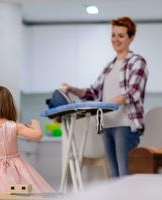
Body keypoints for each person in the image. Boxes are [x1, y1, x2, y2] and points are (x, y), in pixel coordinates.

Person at [62, 17, 148, 177]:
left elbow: (133, 93)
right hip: (106, 125)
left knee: (125, 175)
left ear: (131, 38)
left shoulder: (137, 62)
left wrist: (106, 104)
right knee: (114, 176)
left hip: (125, 125)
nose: (116, 39)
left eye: (121, 35)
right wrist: (72, 89)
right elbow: (93, 93)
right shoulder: (109, 66)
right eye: (113, 35)